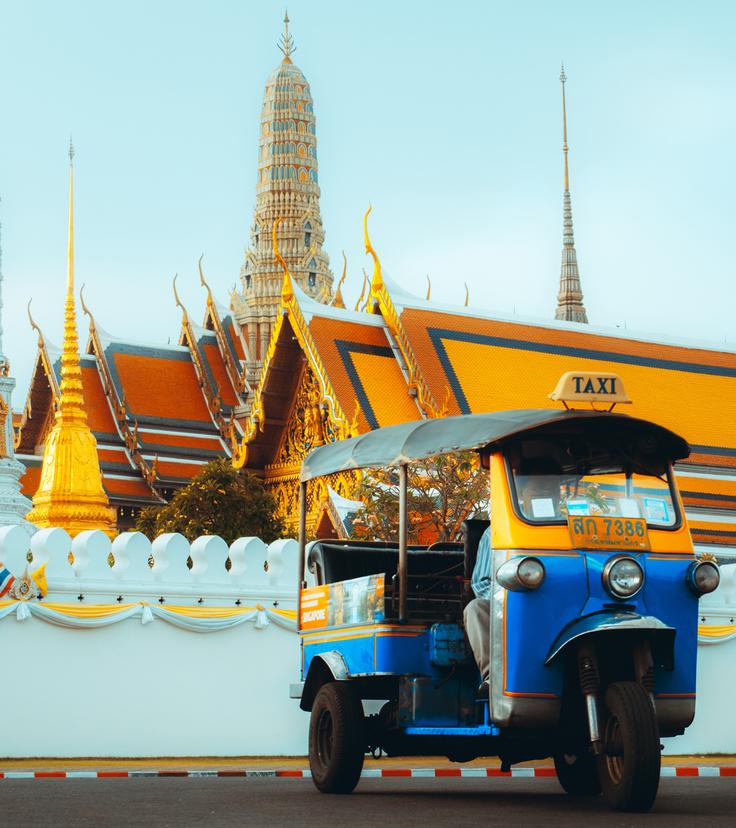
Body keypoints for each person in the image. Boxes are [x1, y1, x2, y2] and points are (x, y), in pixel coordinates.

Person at [463, 457, 563, 692]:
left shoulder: (569, 527)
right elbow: (482, 583)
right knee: (476, 609)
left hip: (560, 603)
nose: (545, 493)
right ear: (522, 492)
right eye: (538, 488)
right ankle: (493, 678)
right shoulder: (496, 531)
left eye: (551, 488)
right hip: (511, 607)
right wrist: (513, 599)